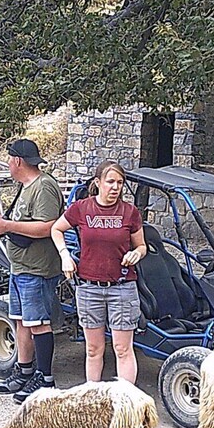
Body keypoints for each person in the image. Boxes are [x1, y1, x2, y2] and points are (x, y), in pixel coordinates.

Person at [50, 161, 146, 383]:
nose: (115, 187)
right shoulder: (81, 208)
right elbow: (56, 229)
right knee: (93, 349)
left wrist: (137, 254)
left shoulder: (130, 212)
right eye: (110, 182)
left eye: (120, 183)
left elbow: (142, 246)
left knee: (123, 348)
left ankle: (125, 403)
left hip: (122, 287)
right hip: (89, 288)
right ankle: (92, 399)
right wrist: (65, 255)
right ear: (98, 182)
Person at [0, 138, 64, 404]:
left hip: (38, 269)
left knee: (39, 323)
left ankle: (45, 379)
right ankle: (24, 371)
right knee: (21, 320)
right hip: (20, 267)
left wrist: (7, 227)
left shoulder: (44, 187)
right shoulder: (25, 187)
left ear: (18, 161)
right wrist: (3, 225)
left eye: (9, 159)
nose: (8, 164)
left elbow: (48, 226)